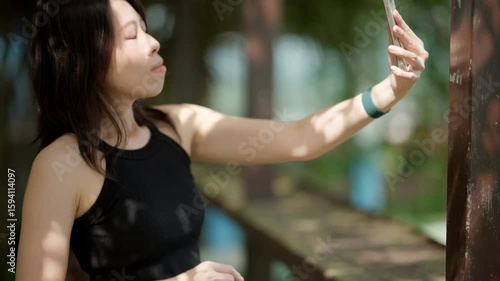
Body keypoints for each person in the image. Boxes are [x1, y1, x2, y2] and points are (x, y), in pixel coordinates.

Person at [15, 0, 429, 280]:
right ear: (86, 59)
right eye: (131, 35)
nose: (153, 41)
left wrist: (390, 91)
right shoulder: (61, 165)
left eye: (145, 28)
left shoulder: (178, 126)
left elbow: (301, 139)